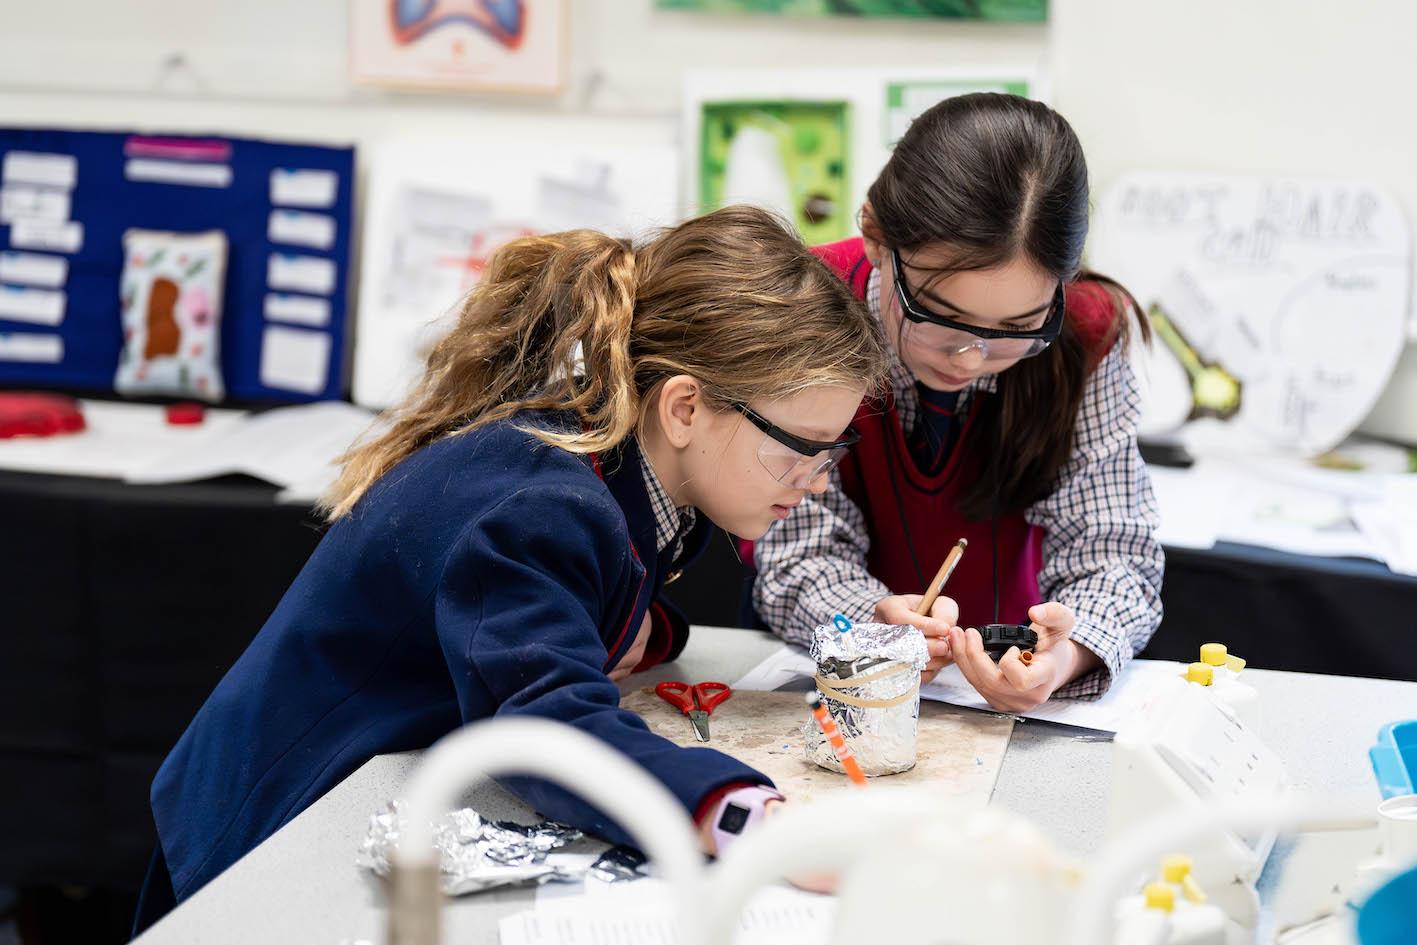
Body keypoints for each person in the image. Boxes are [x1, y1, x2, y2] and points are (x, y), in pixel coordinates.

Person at [134, 206, 888, 930]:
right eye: (801, 448)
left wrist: (630, 631)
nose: (818, 482)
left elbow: (566, 605)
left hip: (363, 797)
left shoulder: (617, 458)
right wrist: (752, 821)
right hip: (269, 831)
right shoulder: (537, 503)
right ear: (684, 408)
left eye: (834, 451)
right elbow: (541, 725)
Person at [751, 93, 1164, 713]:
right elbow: (796, 549)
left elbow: (1114, 552)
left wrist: (1065, 656)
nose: (969, 359)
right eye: (940, 317)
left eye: (1017, 329)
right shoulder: (804, 310)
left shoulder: (1085, 334)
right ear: (875, 237)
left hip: (1007, 676)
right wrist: (867, 624)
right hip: (835, 676)